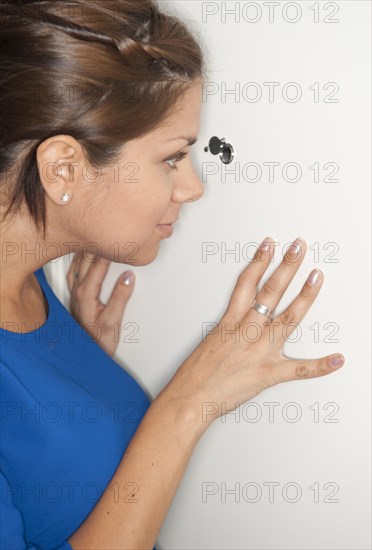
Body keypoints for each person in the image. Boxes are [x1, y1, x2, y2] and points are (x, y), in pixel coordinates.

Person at [0, 0, 345, 548]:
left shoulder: (26, 278)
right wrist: (187, 405)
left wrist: (72, 359)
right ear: (63, 167)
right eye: (172, 157)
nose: (192, 187)